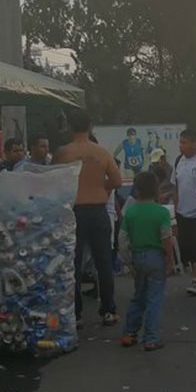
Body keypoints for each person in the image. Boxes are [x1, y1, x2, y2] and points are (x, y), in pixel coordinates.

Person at [54, 111, 122, 327]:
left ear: (70, 127)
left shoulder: (63, 153)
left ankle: (76, 314)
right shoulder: (102, 152)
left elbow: (53, 181)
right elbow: (117, 181)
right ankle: (108, 311)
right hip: (98, 209)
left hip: (73, 211)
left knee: (72, 263)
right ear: (90, 126)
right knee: (103, 262)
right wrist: (100, 187)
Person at [118, 172, 175, 351]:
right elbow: (166, 238)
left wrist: (129, 262)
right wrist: (170, 260)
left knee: (139, 296)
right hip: (156, 257)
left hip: (137, 256)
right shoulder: (161, 212)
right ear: (156, 190)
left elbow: (122, 240)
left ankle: (129, 333)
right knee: (154, 298)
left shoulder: (131, 212)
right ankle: (151, 338)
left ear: (137, 190)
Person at [171, 129, 196, 296]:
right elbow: (175, 186)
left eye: (184, 142)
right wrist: (176, 208)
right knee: (187, 249)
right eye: (180, 142)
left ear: (194, 143)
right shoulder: (179, 160)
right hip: (182, 213)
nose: (181, 146)